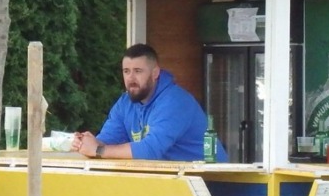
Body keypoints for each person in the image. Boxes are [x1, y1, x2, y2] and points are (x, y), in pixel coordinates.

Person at [72, 43, 226, 161]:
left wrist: (98, 150)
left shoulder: (174, 101)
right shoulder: (125, 103)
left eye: (138, 71)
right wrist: (84, 143)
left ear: (155, 73)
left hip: (213, 182)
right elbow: (108, 140)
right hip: (175, 180)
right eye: (126, 71)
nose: (131, 78)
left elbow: (151, 150)